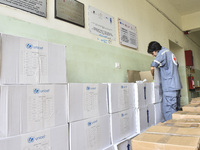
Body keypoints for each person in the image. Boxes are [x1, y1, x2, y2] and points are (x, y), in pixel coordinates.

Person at [147, 41, 182, 121]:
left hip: (169, 87)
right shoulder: (170, 53)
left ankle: (172, 130)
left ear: (155, 50)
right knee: (176, 109)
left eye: (152, 53)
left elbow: (153, 67)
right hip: (176, 85)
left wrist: (153, 76)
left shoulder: (162, 53)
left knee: (169, 110)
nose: (153, 55)